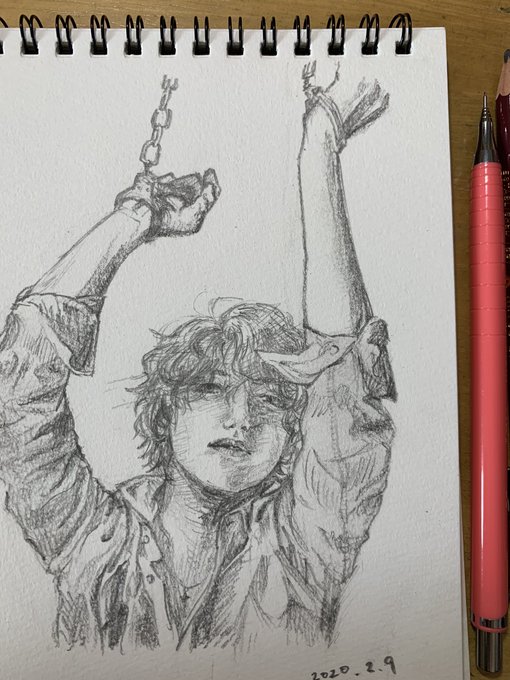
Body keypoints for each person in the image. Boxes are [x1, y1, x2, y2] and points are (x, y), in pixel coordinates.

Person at [0, 70, 395, 653]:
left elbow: (341, 378)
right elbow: (18, 386)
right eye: (210, 389)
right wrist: (134, 221)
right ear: (164, 415)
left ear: (295, 432)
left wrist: (320, 146)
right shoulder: (93, 542)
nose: (242, 419)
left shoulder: (303, 548)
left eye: (271, 400)